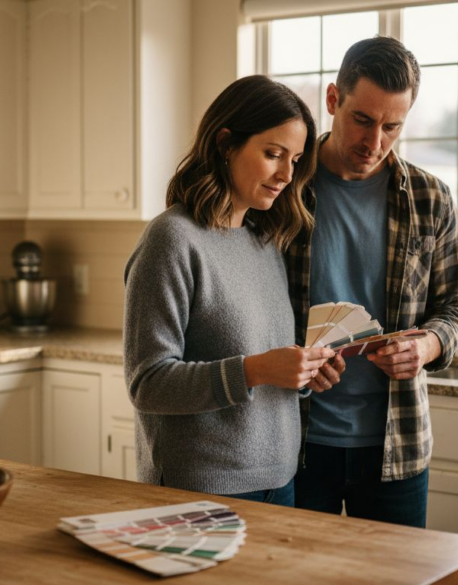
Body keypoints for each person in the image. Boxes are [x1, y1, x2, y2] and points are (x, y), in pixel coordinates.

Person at [123, 75, 342, 507]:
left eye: (295, 160)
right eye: (273, 154)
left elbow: (260, 360)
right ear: (226, 143)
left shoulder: (264, 240)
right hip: (200, 486)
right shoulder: (172, 239)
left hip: (281, 480)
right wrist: (255, 370)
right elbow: (147, 383)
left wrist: (300, 373)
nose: (286, 174)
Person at [289, 37, 458, 527]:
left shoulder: (431, 198)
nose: (375, 143)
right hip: (297, 443)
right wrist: (292, 356)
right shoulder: (284, 189)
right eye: (363, 121)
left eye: (393, 126)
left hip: (397, 447)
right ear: (333, 101)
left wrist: (429, 346)